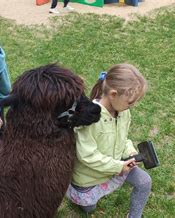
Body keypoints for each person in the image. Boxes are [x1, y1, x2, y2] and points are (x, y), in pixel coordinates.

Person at [66, 64, 152, 218]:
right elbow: (87, 156)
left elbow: (123, 138)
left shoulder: (124, 112)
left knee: (144, 181)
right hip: (89, 179)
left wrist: (130, 151)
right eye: (130, 102)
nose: (133, 106)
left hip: (116, 167)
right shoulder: (89, 118)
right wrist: (118, 166)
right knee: (88, 208)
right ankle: (82, 200)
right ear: (113, 94)